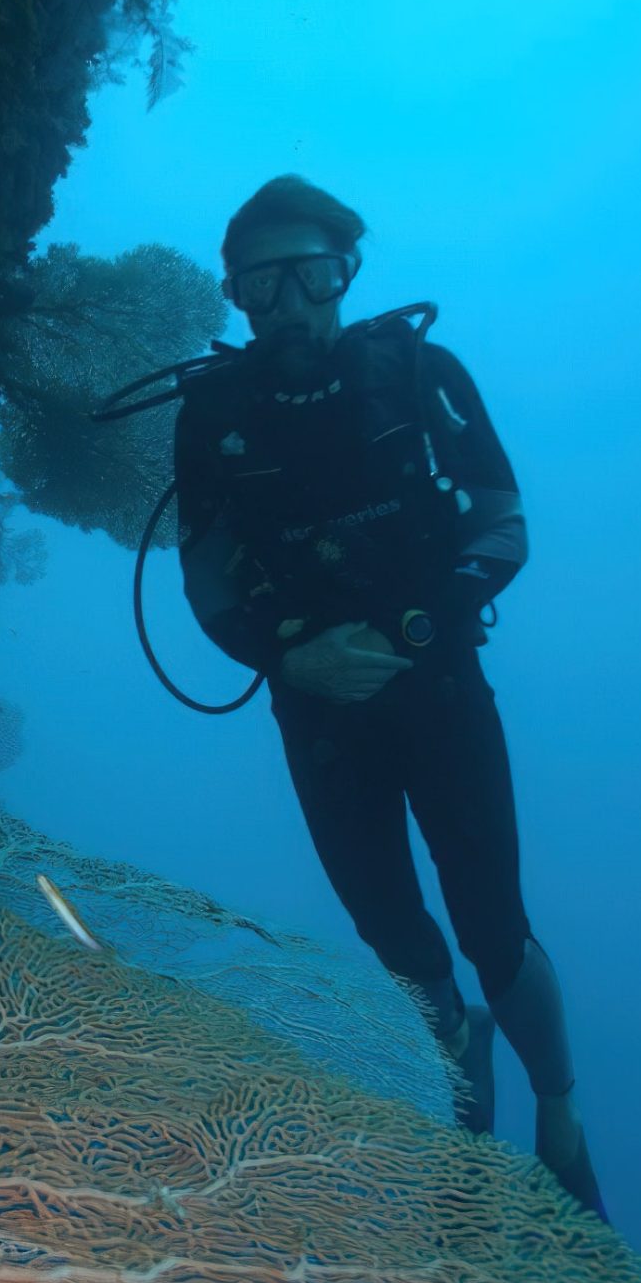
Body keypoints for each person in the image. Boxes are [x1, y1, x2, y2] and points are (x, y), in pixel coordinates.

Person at [173, 173, 606, 1219]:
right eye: (259, 286)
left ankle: (557, 1108)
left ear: (343, 276)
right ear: (233, 297)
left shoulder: (417, 372)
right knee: (392, 935)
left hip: (440, 693)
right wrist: (292, 659)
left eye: (311, 275)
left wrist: (408, 631)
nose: (290, 304)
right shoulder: (210, 416)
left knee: (492, 930)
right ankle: (463, 1074)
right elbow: (203, 582)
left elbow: (501, 523)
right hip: (317, 720)